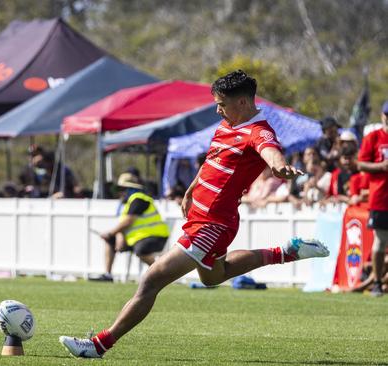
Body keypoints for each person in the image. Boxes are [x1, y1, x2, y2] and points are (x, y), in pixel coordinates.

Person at [59, 70, 329, 358]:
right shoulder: (227, 124)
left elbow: (270, 151)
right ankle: (285, 252)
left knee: (151, 281)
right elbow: (211, 162)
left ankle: (99, 345)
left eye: (221, 103)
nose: (217, 109)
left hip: (212, 224)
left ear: (242, 103)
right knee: (213, 277)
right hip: (205, 219)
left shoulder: (258, 131)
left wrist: (280, 166)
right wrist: (191, 190)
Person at [90, 172, 169, 282]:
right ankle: (108, 275)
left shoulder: (139, 199)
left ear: (129, 189)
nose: (119, 192)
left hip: (156, 237)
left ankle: (161, 274)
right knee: (110, 241)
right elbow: (123, 224)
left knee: (141, 250)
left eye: (122, 189)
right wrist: (118, 235)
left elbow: (128, 221)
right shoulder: (130, 202)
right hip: (137, 238)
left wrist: (110, 233)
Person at [356, 100, 388, 297]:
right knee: (381, 241)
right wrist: (381, 166)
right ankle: (376, 281)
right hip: (381, 197)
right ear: (382, 115)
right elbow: (361, 164)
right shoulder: (374, 137)